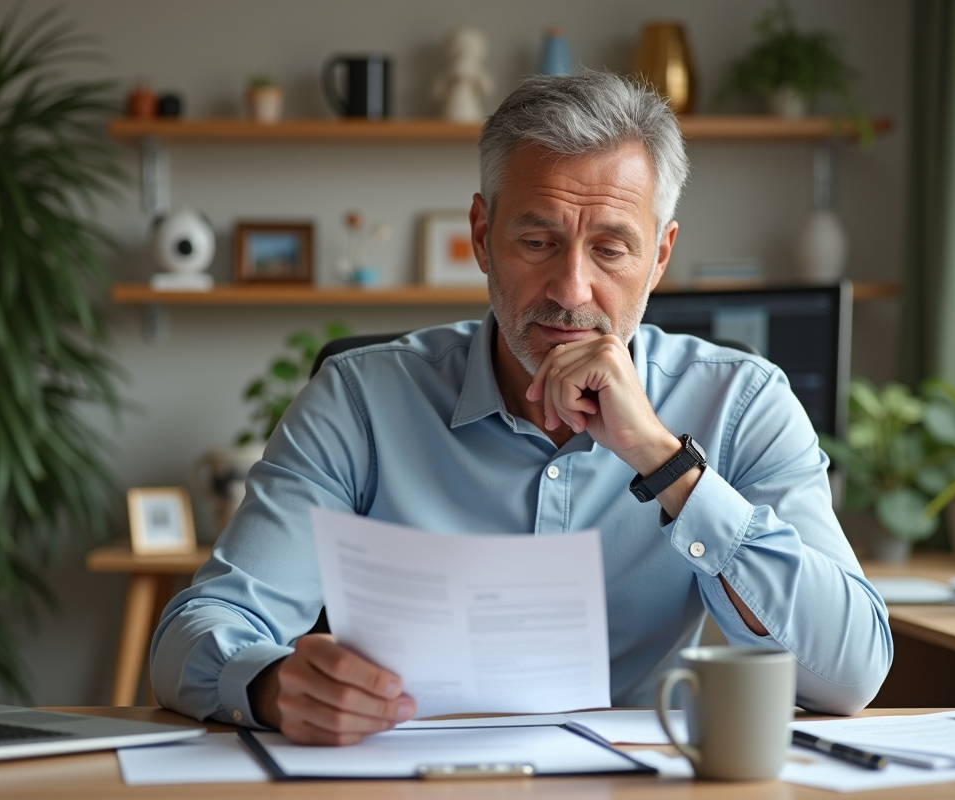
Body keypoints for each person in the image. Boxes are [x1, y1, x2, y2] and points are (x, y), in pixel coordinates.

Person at [150, 71, 892, 746]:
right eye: (538, 241)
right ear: (482, 236)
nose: (570, 290)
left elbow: (851, 671)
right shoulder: (360, 400)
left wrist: (665, 463)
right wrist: (273, 686)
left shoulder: (742, 400)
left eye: (611, 250)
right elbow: (195, 634)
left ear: (659, 258)